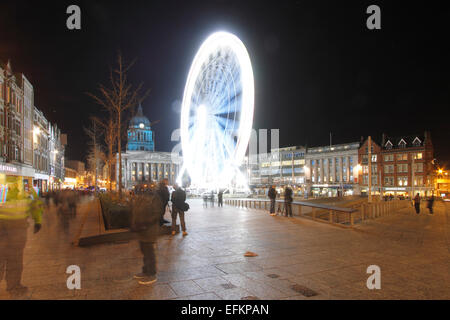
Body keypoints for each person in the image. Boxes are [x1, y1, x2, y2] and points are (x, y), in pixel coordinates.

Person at [0, 179, 43, 295]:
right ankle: (13, 286)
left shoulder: (3, 187)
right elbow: (36, 205)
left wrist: (38, 220)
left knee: (11, 256)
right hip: (17, 227)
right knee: (15, 257)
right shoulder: (26, 188)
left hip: (13, 227)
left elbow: (35, 204)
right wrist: (37, 220)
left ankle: (14, 285)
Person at [130, 186, 162, 285]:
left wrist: (145, 223)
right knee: (144, 251)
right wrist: (134, 223)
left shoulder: (154, 198)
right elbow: (136, 211)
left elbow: (156, 214)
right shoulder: (141, 198)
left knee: (149, 252)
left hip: (149, 230)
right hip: (141, 230)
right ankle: (145, 271)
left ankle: (151, 274)